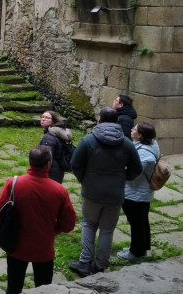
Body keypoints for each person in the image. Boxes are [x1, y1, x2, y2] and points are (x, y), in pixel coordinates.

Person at [68, 106, 142, 276]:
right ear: (117, 121)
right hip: (115, 193)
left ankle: (85, 262)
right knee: (107, 229)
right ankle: (101, 264)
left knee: (88, 224)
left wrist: (84, 179)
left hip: (92, 191)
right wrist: (122, 178)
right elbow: (136, 169)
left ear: (99, 120)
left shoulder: (88, 140)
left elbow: (75, 164)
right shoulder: (126, 143)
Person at [0, 145, 76, 294]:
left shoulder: (13, 183)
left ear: (30, 161)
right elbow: (69, 223)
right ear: (49, 163)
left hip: (16, 246)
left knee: (13, 287)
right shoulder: (59, 191)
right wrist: (53, 228)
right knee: (44, 289)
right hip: (43, 248)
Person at [118, 122, 160, 264]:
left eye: (134, 129)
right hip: (141, 192)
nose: (131, 129)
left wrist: (119, 170)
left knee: (136, 223)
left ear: (140, 135)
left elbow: (134, 172)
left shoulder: (144, 153)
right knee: (142, 222)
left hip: (135, 194)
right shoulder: (151, 144)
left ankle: (135, 253)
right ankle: (141, 248)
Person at [37, 111, 74, 184]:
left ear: (53, 121)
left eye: (47, 118)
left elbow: (46, 157)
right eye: (42, 117)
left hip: (51, 172)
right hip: (58, 169)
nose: (43, 119)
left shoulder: (49, 137)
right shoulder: (58, 132)